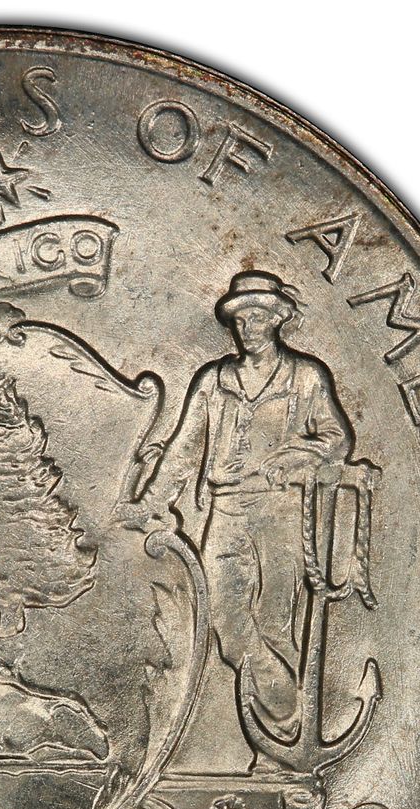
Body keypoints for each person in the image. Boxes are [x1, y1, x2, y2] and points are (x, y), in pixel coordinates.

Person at [127, 271, 353, 739]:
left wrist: (300, 454)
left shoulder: (305, 377)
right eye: (240, 320)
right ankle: (287, 708)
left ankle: (275, 747)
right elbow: (184, 448)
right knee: (227, 624)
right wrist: (149, 501)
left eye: (258, 318)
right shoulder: (214, 381)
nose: (248, 328)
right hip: (226, 510)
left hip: (282, 511)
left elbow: (337, 438)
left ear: (277, 320)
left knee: (275, 624)